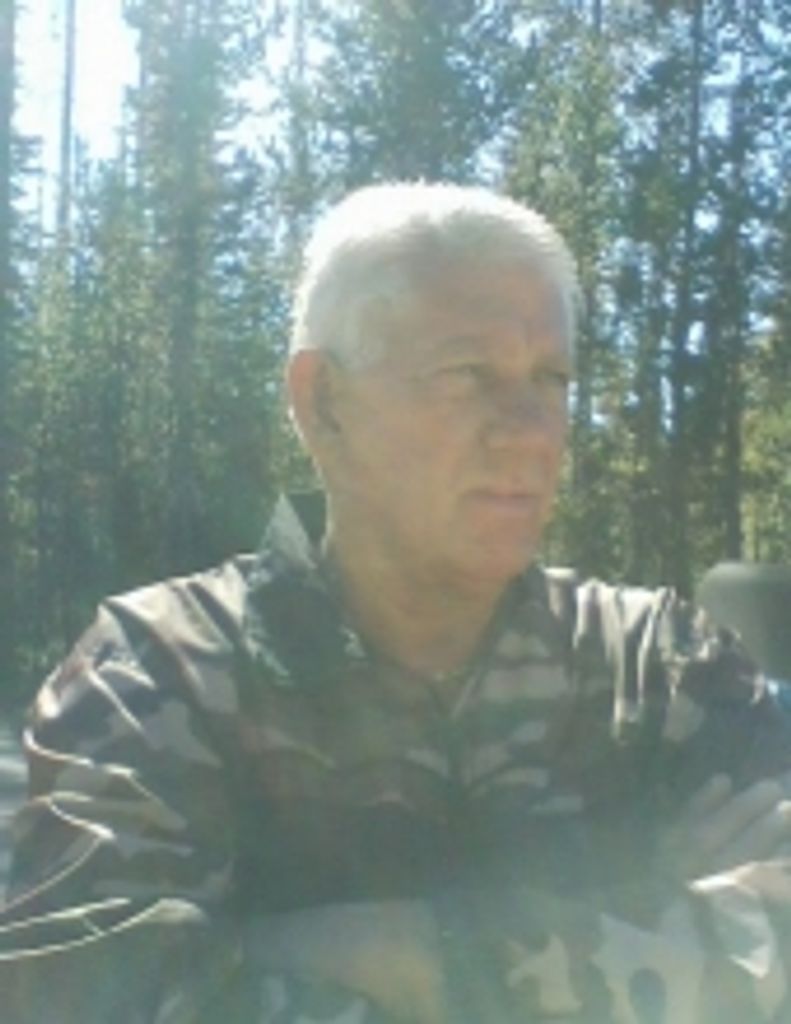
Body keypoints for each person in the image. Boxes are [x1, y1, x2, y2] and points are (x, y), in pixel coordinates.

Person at [2, 182, 791, 1023]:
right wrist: (641, 921)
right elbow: (87, 1004)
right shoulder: (158, 675)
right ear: (323, 402)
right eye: (467, 376)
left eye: (551, 378)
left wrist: (378, 952)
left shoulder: (657, 663)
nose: (529, 429)